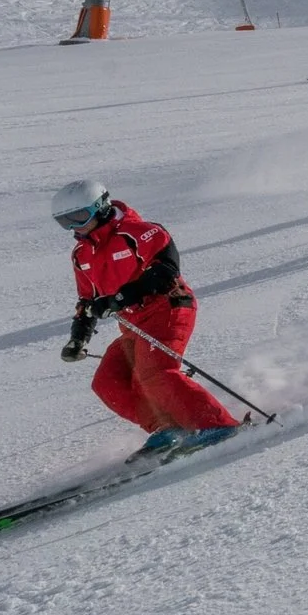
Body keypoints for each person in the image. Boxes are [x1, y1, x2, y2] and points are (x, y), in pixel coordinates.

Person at [53, 180, 238, 461]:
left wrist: (120, 299)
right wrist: (79, 338)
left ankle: (216, 425)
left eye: (78, 217)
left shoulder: (139, 232)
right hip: (132, 324)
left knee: (156, 372)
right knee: (107, 381)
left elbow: (166, 271)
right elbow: (87, 302)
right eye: (63, 221)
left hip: (168, 308)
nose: (72, 227)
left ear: (100, 207)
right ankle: (167, 426)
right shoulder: (82, 255)